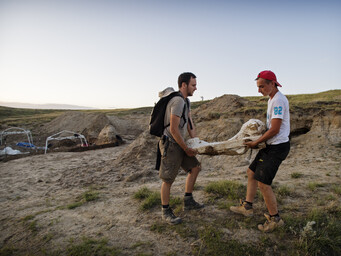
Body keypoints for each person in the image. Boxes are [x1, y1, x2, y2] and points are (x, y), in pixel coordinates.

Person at [230, 70, 290, 233]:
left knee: (263, 183)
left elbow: (275, 129)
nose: (259, 90)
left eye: (262, 86)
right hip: (270, 145)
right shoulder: (272, 99)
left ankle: (275, 219)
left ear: (272, 83)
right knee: (251, 172)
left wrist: (256, 141)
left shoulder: (278, 101)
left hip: (277, 147)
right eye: (258, 87)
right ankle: (247, 207)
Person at [159, 72, 204, 225]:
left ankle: (188, 200)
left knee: (195, 167)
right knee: (168, 179)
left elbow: (190, 124)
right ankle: (165, 211)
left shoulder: (187, 101)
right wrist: (186, 148)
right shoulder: (177, 101)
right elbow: (173, 129)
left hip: (180, 143)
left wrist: (196, 142)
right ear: (184, 85)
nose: (196, 88)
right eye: (193, 85)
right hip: (171, 144)